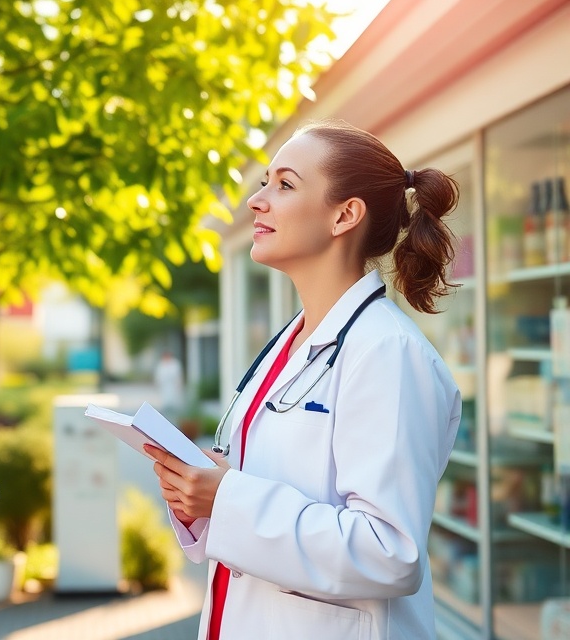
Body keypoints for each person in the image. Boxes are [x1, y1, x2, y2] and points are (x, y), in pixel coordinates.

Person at [145, 120, 462, 640]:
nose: (256, 201)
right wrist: (201, 493)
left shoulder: (387, 353)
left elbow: (390, 552)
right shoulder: (291, 345)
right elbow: (263, 502)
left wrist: (227, 499)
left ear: (344, 215)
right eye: (264, 181)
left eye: (284, 185)